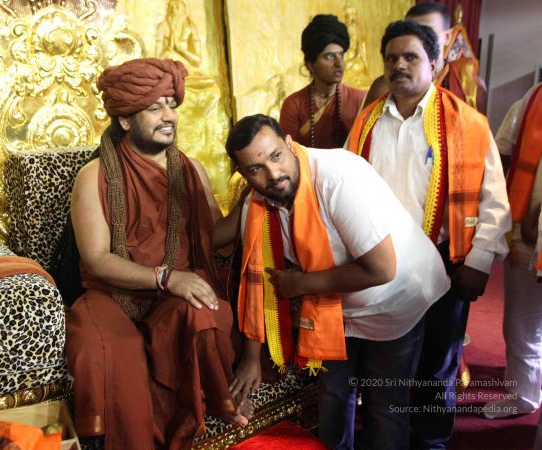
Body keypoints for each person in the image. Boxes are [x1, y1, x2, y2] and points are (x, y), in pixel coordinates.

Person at [217, 114, 450, 450]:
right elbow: (256, 274)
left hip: (395, 298)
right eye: (256, 168)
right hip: (334, 309)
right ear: (243, 173)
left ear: (289, 144)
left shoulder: (338, 178)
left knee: (384, 406)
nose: (273, 173)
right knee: (332, 397)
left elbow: (381, 269)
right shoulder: (257, 201)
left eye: (276, 156)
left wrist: (302, 285)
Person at [65, 58, 248, 450]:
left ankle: (213, 410)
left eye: (171, 105)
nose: (169, 116)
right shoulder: (94, 176)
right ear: (125, 120)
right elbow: (97, 259)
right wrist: (166, 277)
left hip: (174, 292)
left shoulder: (191, 169)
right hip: (112, 294)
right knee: (106, 349)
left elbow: (212, 236)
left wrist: (252, 200)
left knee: (205, 312)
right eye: (154, 107)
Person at [347, 21, 511, 450]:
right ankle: (386, 435)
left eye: (411, 57)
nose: (399, 65)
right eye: (391, 58)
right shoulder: (367, 121)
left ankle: (431, 441)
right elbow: (346, 187)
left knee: (437, 362)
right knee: (385, 362)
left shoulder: (468, 123)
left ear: (435, 63)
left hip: (445, 262)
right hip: (381, 266)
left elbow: (494, 200)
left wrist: (478, 262)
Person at [483, 83, 542, 419]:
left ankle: (525, 390)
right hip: (525, 234)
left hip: (533, 230)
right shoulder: (533, 99)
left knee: (527, 325)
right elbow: (501, 156)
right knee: (523, 322)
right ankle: (524, 388)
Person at [362, 3, 487, 115]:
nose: (419, 40)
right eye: (412, 33)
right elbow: (364, 131)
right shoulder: (384, 86)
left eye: (429, 32)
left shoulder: (469, 87)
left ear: (447, 37)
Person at [279, 14, 365, 149]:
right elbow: (288, 154)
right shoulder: (294, 105)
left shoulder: (360, 100)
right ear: (310, 65)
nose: (339, 63)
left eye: (341, 55)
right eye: (329, 57)